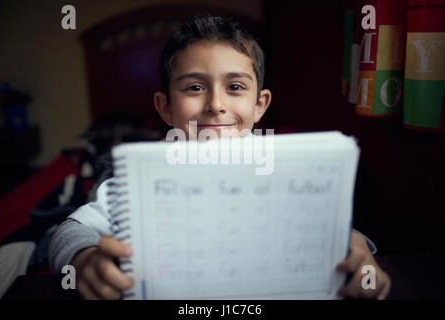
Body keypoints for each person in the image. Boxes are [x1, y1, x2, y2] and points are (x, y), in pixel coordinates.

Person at [49, 15, 391, 300]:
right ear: (165, 107)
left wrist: (355, 246)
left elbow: (328, 225)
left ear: (260, 105)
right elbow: (70, 230)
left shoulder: (284, 169)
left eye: (236, 87)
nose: (216, 104)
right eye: (195, 87)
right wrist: (85, 260)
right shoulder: (141, 177)